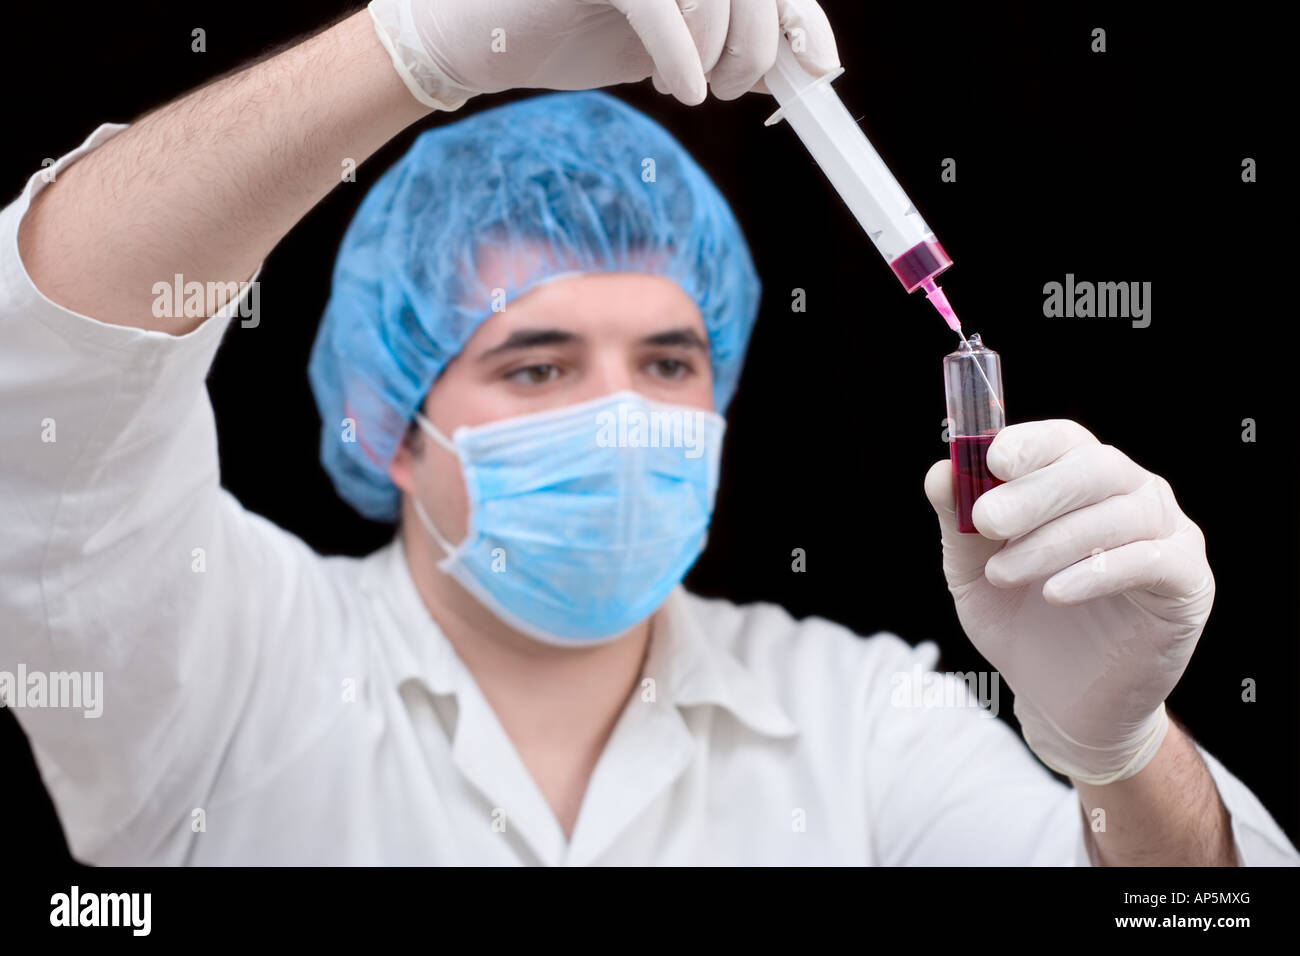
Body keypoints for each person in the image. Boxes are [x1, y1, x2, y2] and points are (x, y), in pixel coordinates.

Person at [1, 0, 1295, 866]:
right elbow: (47, 377)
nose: (622, 418)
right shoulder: (227, 672)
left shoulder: (861, 722)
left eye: (669, 360)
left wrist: (1124, 755)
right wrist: (409, 46)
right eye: (538, 360)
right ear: (385, 422)